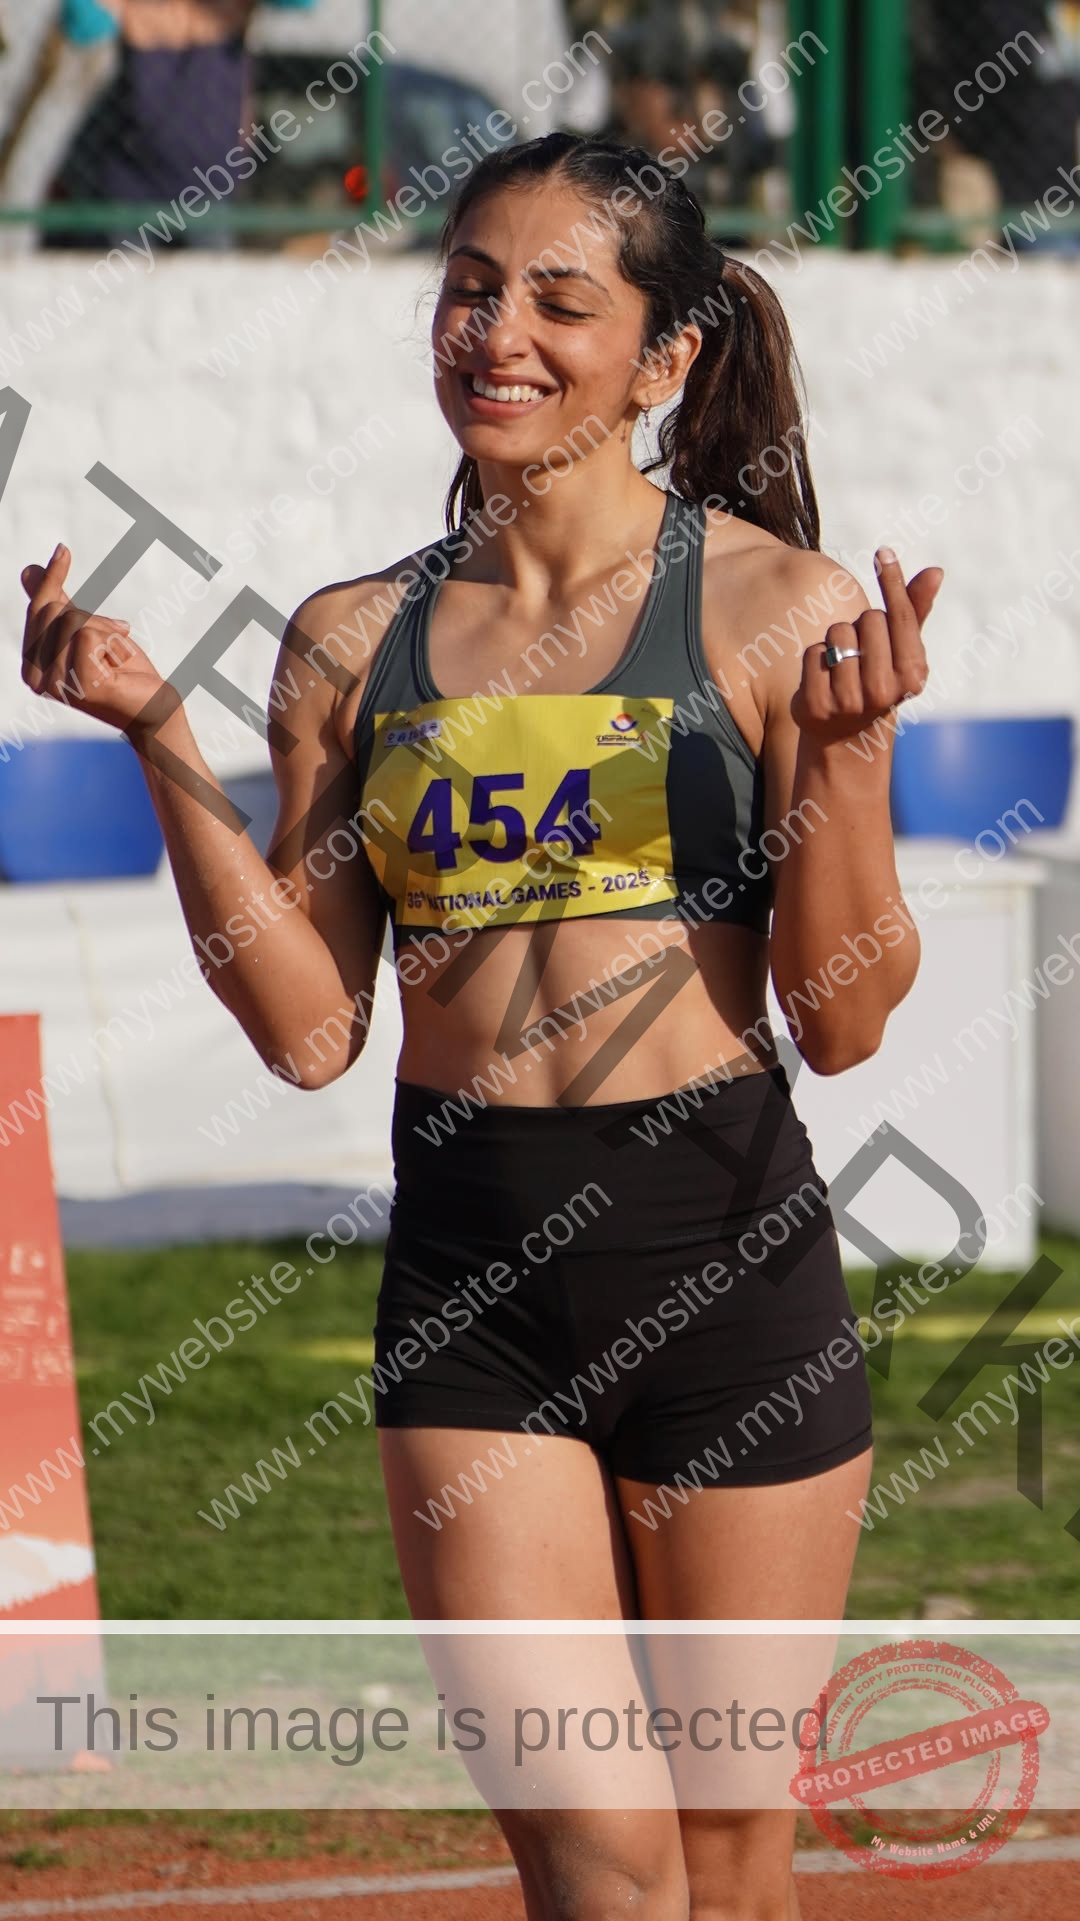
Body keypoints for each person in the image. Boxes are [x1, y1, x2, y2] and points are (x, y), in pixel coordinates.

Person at [22, 131, 941, 1916]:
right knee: (593, 1859)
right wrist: (156, 745)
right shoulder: (349, 644)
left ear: (666, 357)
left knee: (733, 1858)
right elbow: (308, 1030)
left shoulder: (777, 612)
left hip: (726, 1263)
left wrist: (844, 759)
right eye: (466, 287)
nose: (493, 332)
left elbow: (848, 1024)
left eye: (556, 300)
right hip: (472, 1284)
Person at [57, 0, 315, 236]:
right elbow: (84, 27)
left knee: (207, 282)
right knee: (128, 282)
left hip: (210, 185)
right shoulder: (138, 10)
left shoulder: (225, 10)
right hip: (135, 183)